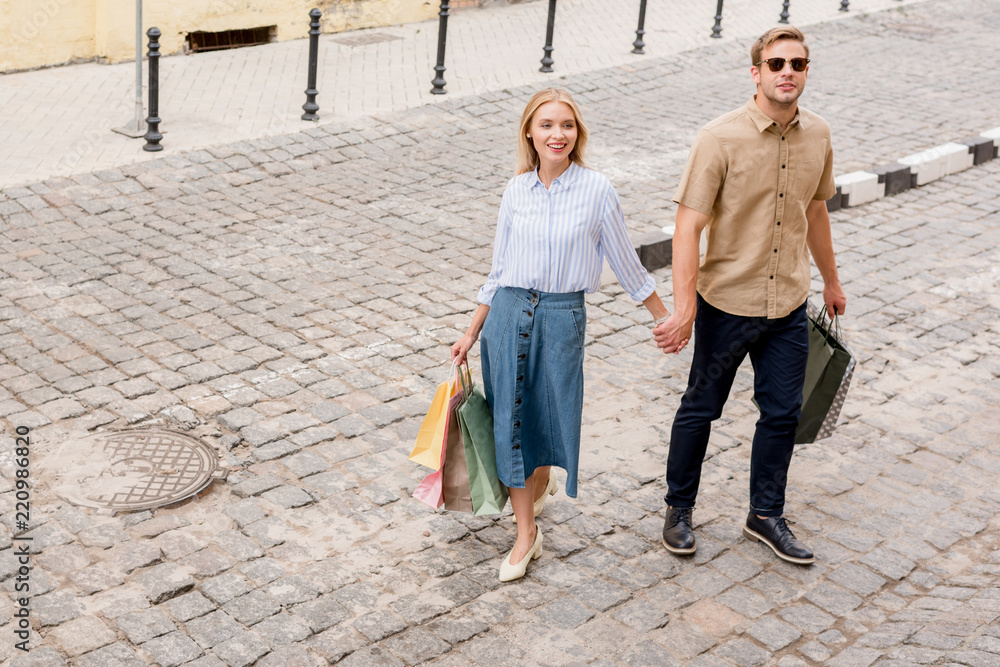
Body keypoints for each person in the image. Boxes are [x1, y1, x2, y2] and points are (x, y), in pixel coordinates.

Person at [451, 88, 679, 582]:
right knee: (512, 421)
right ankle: (526, 534)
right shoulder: (515, 191)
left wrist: (664, 318)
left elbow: (626, 263)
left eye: (567, 125)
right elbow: (498, 270)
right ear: (530, 133)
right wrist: (472, 330)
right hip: (509, 314)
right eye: (548, 125)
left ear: (578, 134)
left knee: (547, 416)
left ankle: (543, 478)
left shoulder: (597, 190)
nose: (558, 134)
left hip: (561, 318)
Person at [654, 26, 847, 565]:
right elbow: (687, 227)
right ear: (756, 71)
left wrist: (831, 281)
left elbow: (815, 210)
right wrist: (687, 305)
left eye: (799, 64)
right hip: (726, 306)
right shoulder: (718, 139)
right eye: (777, 63)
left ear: (807, 72)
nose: (788, 72)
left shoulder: (820, 135)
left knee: (783, 414)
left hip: (787, 306)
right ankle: (678, 509)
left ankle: (765, 514)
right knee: (701, 408)